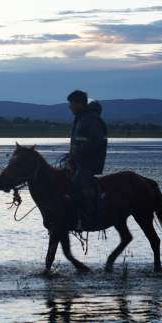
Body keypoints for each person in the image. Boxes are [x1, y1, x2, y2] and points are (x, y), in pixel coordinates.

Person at [66, 89, 108, 230]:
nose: (69, 107)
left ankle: (87, 218)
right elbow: (79, 143)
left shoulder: (91, 119)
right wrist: (71, 156)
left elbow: (96, 142)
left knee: (77, 185)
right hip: (78, 162)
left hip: (89, 164)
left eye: (71, 104)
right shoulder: (81, 118)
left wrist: (77, 155)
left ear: (80, 104)